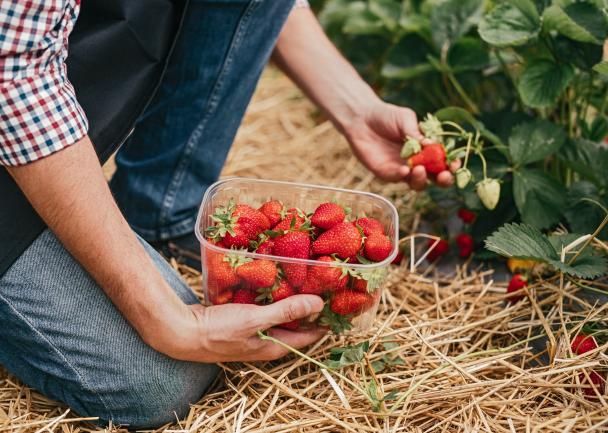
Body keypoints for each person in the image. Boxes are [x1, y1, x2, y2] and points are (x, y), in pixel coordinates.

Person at [0, 0, 427, 428]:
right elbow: (14, 75)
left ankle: (159, 218)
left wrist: (356, 110)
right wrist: (170, 322)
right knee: (163, 382)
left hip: (42, 111)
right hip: (16, 100)